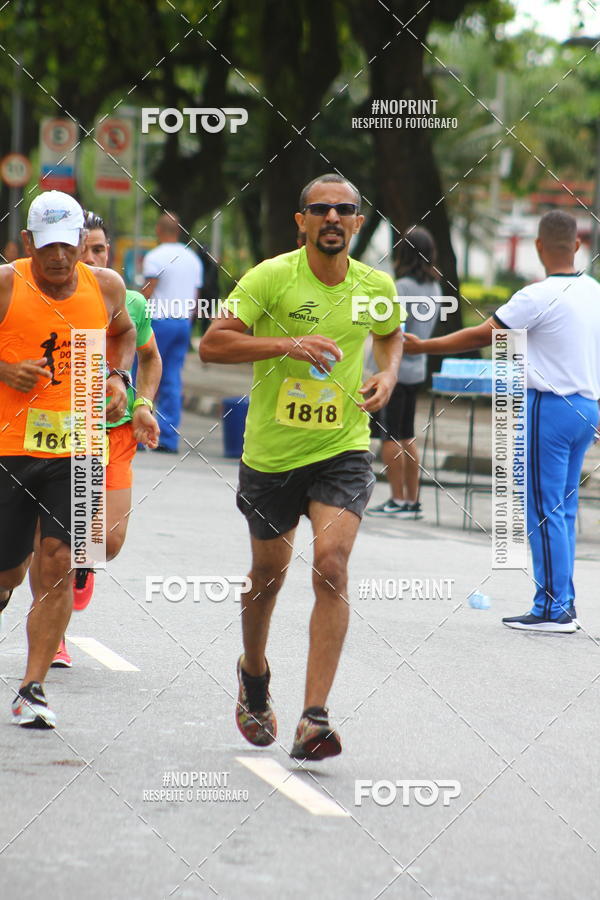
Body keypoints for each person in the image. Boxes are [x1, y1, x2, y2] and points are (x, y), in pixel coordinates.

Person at [200, 173, 403, 759]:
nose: (333, 218)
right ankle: (254, 674)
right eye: (321, 209)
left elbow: (391, 338)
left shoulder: (375, 286)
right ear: (302, 221)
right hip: (271, 455)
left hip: (341, 448)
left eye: (345, 210)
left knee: (332, 566)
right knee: (267, 575)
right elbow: (214, 343)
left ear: (359, 222)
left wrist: (386, 375)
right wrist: (289, 344)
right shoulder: (270, 277)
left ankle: (314, 717)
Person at [404, 210, 600, 633]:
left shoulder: (537, 295)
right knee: (563, 508)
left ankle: (554, 609)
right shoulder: (594, 292)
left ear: (538, 247)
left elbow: (483, 334)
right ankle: (561, 602)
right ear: (578, 246)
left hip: (549, 406)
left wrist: (423, 346)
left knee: (542, 509)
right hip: (587, 408)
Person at [0, 190, 135, 727]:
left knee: (59, 560)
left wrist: (116, 376)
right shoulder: (8, 283)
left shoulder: (106, 286)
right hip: (10, 448)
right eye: (47, 246)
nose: (59, 258)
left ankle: (34, 687)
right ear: (28, 242)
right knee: (8, 570)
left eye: (68, 245)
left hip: (77, 447)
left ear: (83, 241)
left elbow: (123, 334)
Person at [48, 211, 162, 668]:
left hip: (113, 432)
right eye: (84, 249)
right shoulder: (49, 295)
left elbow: (151, 359)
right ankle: (52, 636)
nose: (93, 259)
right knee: (53, 541)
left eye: (100, 250)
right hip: (61, 431)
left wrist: (142, 405)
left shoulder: (127, 300)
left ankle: (83, 562)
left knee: (107, 541)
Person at [367, 227, 442, 520]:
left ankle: (397, 499)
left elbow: (388, 330)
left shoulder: (402, 287)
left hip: (394, 370)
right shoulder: (435, 288)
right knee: (407, 435)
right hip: (417, 368)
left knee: (389, 436)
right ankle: (412, 500)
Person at [141, 212, 203, 453]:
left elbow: (148, 291)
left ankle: (134, 435)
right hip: (182, 323)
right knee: (171, 378)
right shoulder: (192, 259)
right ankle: (168, 438)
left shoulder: (155, 256)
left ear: (159, 230)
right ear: (178, 231)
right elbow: (196, 297)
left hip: (158, 322)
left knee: (143, 373)